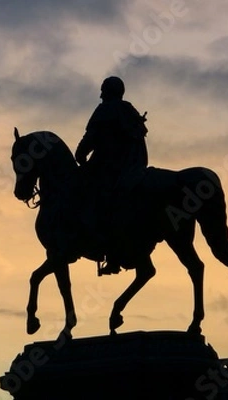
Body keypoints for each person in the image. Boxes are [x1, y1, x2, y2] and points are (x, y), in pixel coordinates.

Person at [74, 76, 149, 274]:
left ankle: (95, 242)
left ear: (108, 92)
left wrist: (80, 154)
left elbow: (91, 136)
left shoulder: (105, 110)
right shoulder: (129, 110)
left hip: (110, 168)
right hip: (133, 168)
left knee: (87, 196)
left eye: (103, 91)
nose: (100, 95)